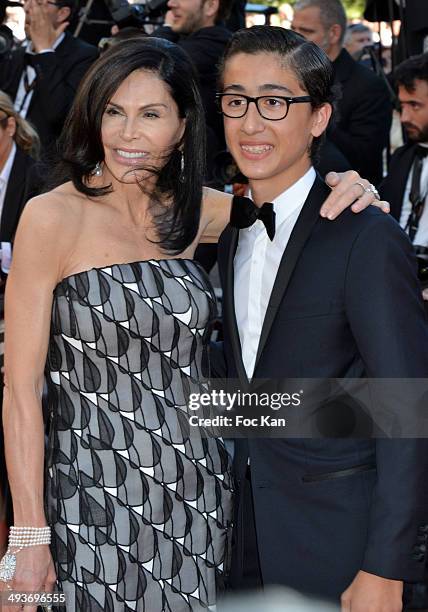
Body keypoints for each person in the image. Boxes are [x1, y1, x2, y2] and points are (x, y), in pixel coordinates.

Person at [0, 35, 386, 611]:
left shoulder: (202, 211)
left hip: (196, 489)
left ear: (183, 126)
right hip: (88, 488)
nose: (127, 134)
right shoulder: (51, 216)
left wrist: (352, 187)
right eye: (114, 112)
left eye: (150, 114)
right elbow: (21, 391)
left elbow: (297, 200)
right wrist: (29, 534)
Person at [215, 25, 428, 609]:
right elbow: (256, 393)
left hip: (339, 542)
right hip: (239, 540)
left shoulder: (365, 234)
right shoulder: (228, 231)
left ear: (319, 117)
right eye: (236, 101)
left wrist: (388, 566)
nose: (251, 122)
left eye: (275, 101)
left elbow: (408, 406)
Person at [292, 0, 392, 186]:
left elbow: (365, 157)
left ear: (334, 33)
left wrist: (315, 115)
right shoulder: (289, 77)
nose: (295, 38)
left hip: (344, 198)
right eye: (293, 29)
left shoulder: (368, 86)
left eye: (306, 31)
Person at [0, 0, 98, 154]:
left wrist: (44, 51)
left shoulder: (84, 56)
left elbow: (59, 116)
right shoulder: (17, 53)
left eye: (39, 3)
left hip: (44, 161)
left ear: (62, 13)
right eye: (27, 1)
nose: (27, 8)